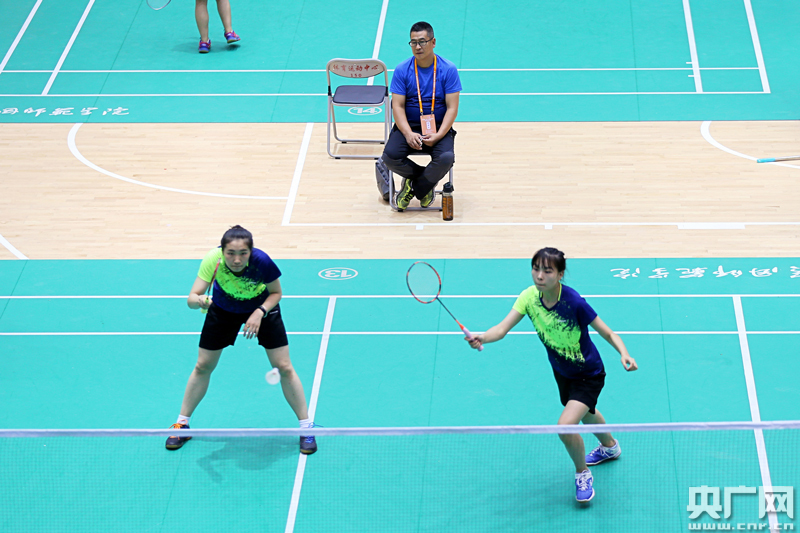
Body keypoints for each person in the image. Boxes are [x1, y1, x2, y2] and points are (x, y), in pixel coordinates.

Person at [466, 247, 637, 502]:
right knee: (587, 412)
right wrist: (482, 337)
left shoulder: (574, 302)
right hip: (563, 372)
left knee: (565, 426)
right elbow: (501, 329)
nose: (539, 275)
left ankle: (582, 473)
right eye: (536, 269)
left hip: (588, 373)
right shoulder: (528, 297)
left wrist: (624, 353)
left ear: (560, 274)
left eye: (547, 271)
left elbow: (607, 331)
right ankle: (610, 447)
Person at [166, 225, 317, 454]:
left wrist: (259, 312)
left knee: (284, 366)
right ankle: (182, 424)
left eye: (243, 253)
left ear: (250, 251)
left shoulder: (262, 261)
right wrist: (200, 301)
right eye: (230, 253)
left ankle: (306, 428)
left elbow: (276, 292)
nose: (236, 260)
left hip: (261, 308)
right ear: (222, 251)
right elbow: (191, 298)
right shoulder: (213, 260)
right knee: (202, 365)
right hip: (222, 309)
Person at [380, 21, 461, 210]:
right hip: (409, 127)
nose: (418, 47)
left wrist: (439, 135)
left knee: (446, 158)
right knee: (390, 157)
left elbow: (452, 108)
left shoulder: (448, 69)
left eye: (422, 42)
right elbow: (397, 106)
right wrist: (408, 133)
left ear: (433, 42)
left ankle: (415, 186)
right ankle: (425, 183)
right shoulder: (402, 69)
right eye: (413, 42)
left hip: (438, 128)